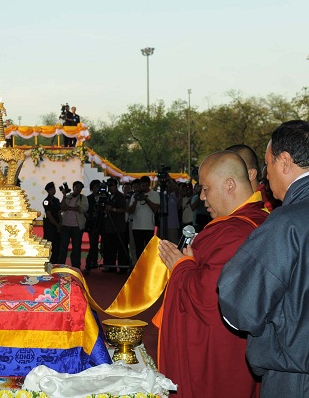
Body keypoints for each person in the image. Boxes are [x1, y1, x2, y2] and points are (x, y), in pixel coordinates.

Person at [157, 150, 268, 397]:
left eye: (206, 188)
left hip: (219, 359)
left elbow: (209, 296)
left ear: (229, 185)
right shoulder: (252, 221)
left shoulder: (236, 232)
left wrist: (181, 266)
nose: (202, 196)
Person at [218, 120, 309, 397]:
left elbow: (239, 306)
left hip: (295, 377)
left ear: (284, 161)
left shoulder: (288, 222)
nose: (266, 177)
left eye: (268, 165)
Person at [57, 181, 88, 267]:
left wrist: (70, 208)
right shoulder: (67, 197)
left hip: (77, 226)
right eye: (77, 187)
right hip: (66, 225)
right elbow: (62, 207)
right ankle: (60, 266)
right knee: (63, 248)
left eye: (80, 188)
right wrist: (64, 195)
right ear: (73, 187)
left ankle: (76, 267)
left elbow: (84, 208)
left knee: (76, 248)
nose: (78, 189)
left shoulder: (83, 198)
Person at [101, 178, 129, 273]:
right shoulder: (107, 197)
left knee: (121, 247)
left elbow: (123, 209)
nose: (110, 187)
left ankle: (123, 267)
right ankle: (110, 266)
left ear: (116, 185)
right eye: (108, 186)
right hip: (109, 226)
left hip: (118, 226)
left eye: (111, 185)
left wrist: (112, 209)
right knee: (109, 247)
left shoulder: (120, 196)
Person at [128, 176, 160, 258]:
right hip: (136, 226)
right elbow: (130, 211)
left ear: (149, 185)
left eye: (146, 185)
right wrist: (136, 200)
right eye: (142, 185)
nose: (144, 187)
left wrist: (146, 199)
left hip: (149, 227)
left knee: (149, 249)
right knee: (139, 249)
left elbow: (155, 208)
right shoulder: (135, 195)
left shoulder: (155, 194)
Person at [84, 180, 103, 274]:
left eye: (98, 187)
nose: (97, 189)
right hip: (92, 224)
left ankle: (106, 263)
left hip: (103, 223)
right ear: (92, 188)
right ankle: (90, 262)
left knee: (105, 244)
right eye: (95, 187)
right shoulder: (88, 198)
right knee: (93, 244)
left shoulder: (104, 197)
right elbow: (86, 211)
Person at [42, 182, 62, 264]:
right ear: (48, 191)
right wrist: (57, 225)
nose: (53, 191)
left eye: (54, 189)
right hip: (50, 226)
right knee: (49, 244)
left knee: (57, 245)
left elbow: (59, 213)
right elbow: (49, 215)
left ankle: (55, 262)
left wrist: (60, 223)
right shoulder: (46, 201)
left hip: (57, 224)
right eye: (51, 189)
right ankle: (48, 262)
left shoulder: (57, 200)